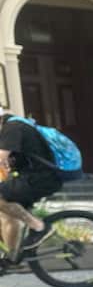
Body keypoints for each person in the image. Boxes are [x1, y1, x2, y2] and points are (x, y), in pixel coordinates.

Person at [0, 110, 60, 261]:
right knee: (9, 213)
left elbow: (1, 157)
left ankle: (40, 227)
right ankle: (13, 258)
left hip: (41, 178)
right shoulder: (12, 127)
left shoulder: (13, 127)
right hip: (34, 177)